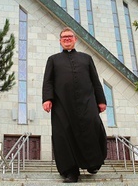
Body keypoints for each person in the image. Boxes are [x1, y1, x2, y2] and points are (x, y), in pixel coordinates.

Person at [42, 27, 107, 183]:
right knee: (63, 135)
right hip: (62, 104)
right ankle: (71, 172)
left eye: (69, 36)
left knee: (93, 127)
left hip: (87, 102)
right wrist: (47, 99)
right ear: (60, 41)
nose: (67, 39)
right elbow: (48, 81)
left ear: (75, 39)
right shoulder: (53, 59)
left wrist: (101, 100)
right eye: (63, 37)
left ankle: (93, 163)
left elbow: (95, 81)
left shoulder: (86, 58)